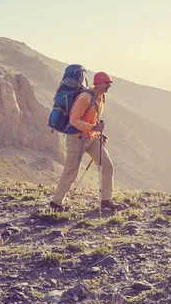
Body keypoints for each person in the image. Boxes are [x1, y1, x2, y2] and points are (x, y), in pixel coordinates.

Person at [50, 71, 124, 212]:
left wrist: (97, 133)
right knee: (71, 171)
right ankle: (56, 204)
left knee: (107, 166)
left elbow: (93, 118)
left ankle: (106, 202)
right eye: (107, 83)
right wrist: (93, 127)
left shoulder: (102, 97)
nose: (109, 85)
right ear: (98, 83)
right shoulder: (85, 97)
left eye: (109, 83)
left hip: (91, 137)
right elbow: (74, 120)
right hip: (77, 138)